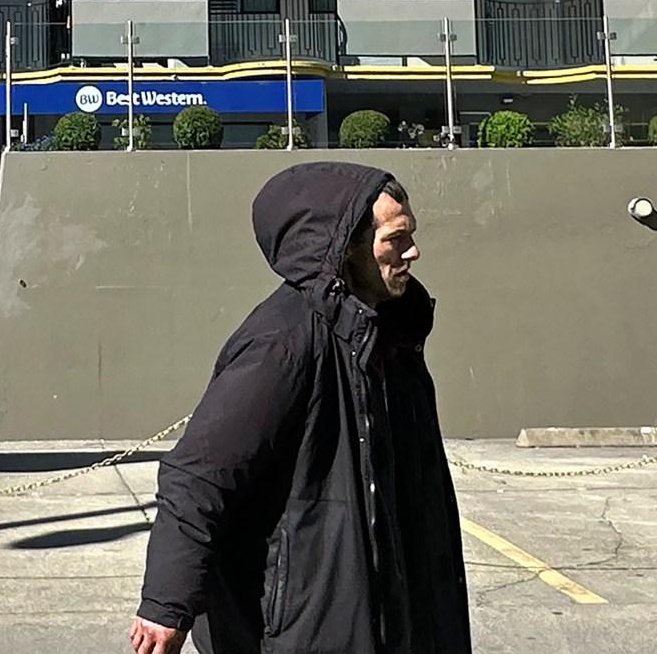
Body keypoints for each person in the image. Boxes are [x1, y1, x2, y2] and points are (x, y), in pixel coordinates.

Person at [131, 161, 469, 654]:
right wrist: (165, 606)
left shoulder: (390, 338)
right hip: (307, 630)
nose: (413, 252)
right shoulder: (283, 343)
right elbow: (198, 477)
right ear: (345, 247)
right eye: (395, 239)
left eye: (410, 235)